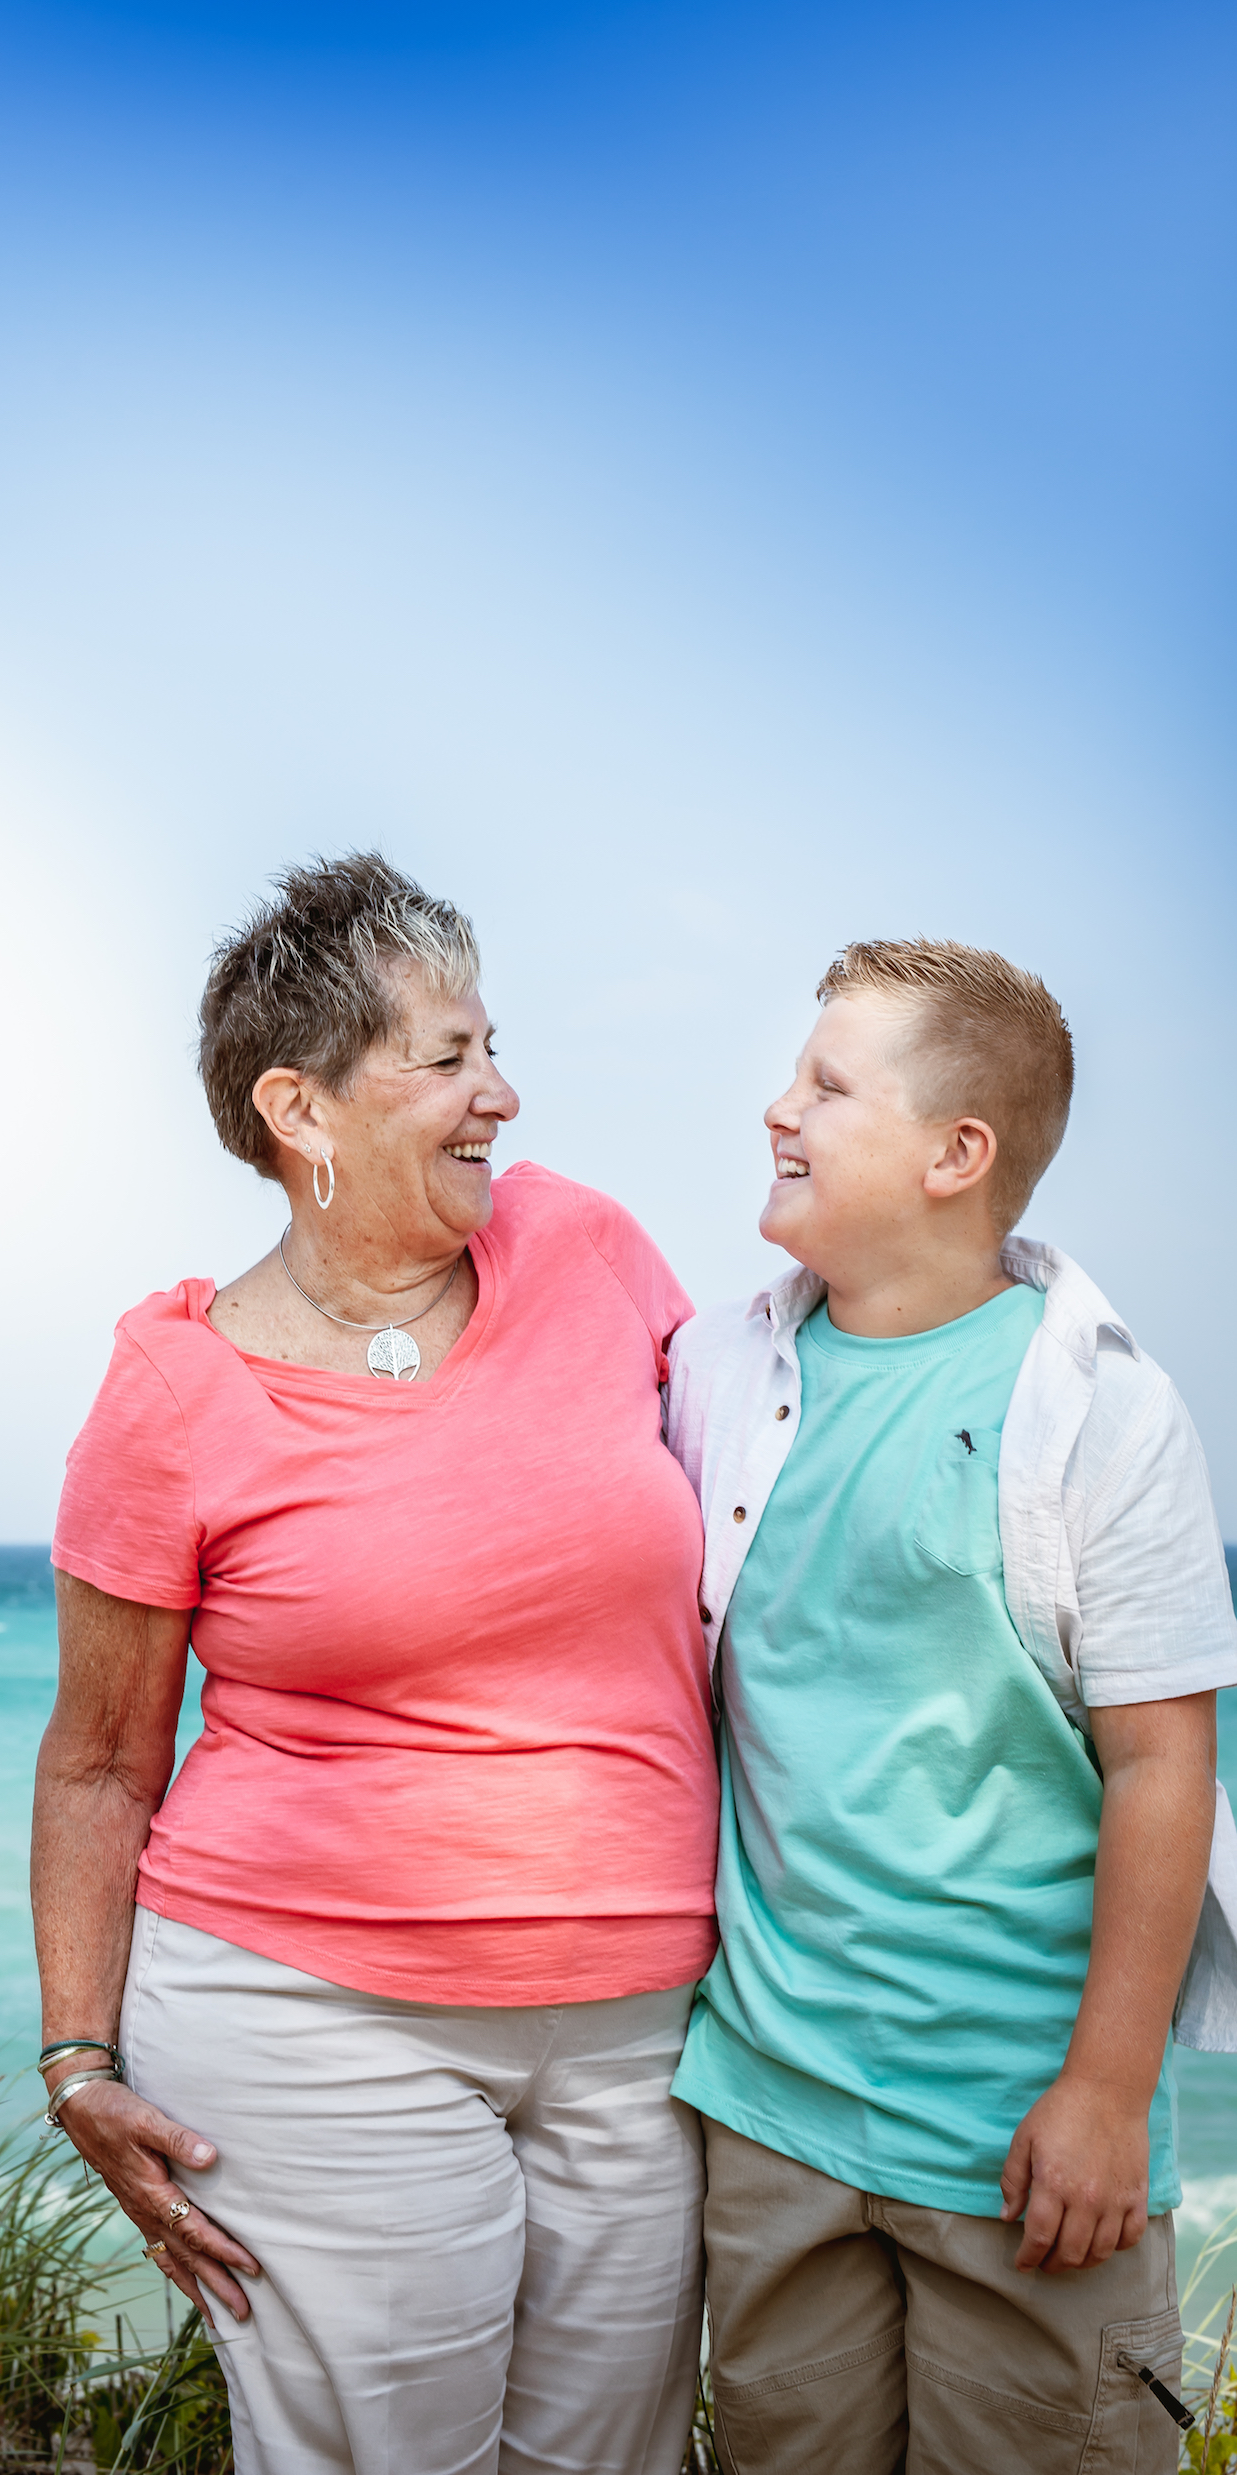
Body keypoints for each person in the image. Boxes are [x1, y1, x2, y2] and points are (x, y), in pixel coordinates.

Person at [29, 853, 720, 2475]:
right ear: (304, 1109)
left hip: (650, 2018)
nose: (503, 1094)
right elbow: (102, 1757)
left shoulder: (591, 1248)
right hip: (307, 2021)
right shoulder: (173, 1388)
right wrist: (78, 2059)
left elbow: (763, 1512)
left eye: (494, 1047)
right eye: (450, 1058)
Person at [666, 937, 1237, 2473]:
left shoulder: (1103, 1407)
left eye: (825, 1085)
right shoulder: (719, 1372)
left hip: (1029, 2139)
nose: (775, 1109)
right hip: (770, 2105)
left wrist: (1108, 2096)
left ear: (954, 1154)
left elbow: (1163, 1767)